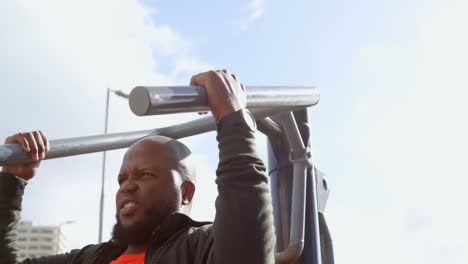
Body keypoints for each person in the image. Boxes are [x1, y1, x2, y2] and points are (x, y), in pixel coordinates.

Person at [0, 70, 276, 264]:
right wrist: (12, 182)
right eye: (121, 180)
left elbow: (247, 250)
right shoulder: (89, 258)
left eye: (145, 174)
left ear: (186, 192)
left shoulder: (201, 246)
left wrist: (233, 122)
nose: (127, 186)